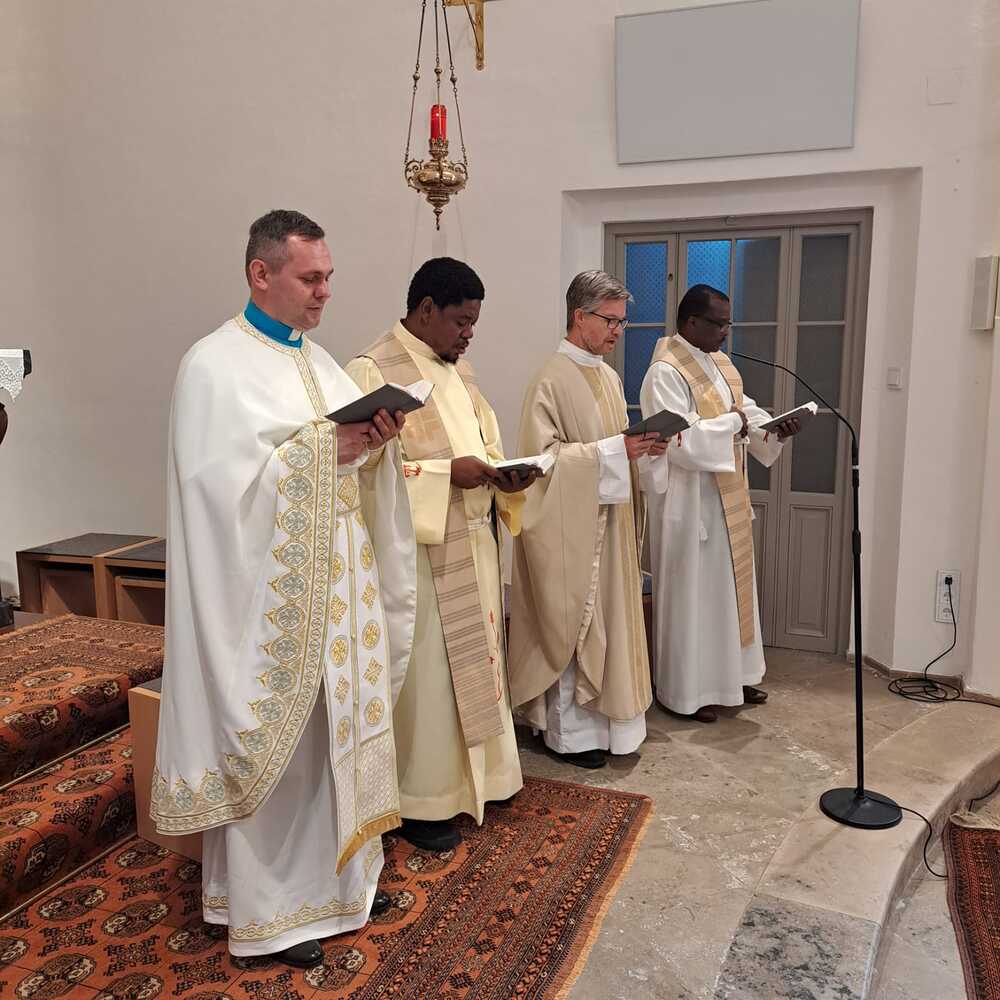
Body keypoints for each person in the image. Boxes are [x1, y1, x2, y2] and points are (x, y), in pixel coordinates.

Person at [152, 210, 417, 967]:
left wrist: (370, 441)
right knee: (286, 747)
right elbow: (216, 493)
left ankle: (344, 885)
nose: (325, 291)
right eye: (311, 278)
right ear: (260, 274)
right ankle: (273, 913)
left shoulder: (323, 363)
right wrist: (323, 451)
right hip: (265, 601)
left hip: (336, 593)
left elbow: (335, 458)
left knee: (336, 735)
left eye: (329, 277)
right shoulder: (213, 365)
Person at [346, 257, 532, 852]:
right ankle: (423, 799)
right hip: (419, 559)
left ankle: (486, 778)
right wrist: (445, 474)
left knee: (478, 667)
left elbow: (485, 444)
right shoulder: (373, 370)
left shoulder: (460, 371)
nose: (469, 334)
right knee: (429, 680)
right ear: (426, 309)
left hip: (474, 540)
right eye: (460, 321)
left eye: (475, 322)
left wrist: (503, 474)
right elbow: (359, 474)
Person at [507, 271, 666, 769]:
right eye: (610, 320)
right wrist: (613, 452)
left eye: (622, 322)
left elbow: (615, 446)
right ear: (580, 316)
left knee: (612, 624)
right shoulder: (550, 378)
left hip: (609, 525)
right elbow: (540, 464)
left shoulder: (609, 378)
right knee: (574, 621)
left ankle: (612, 729)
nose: (618, 331)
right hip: (572, 534)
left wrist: (644, 447)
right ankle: (570, 737)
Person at [640, 283, 801, 723]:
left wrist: (772, 427)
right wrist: (736, 423)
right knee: (694, 600)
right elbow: (679, 440)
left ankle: (733, 679)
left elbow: (745, 410)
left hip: (726, 498)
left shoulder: (721, 364)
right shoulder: (665, 372)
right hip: (690, 503)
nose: (726, 332)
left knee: (729, 594)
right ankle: (686, 693)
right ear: (691, 322)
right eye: (718, 323)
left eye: (729, 323)